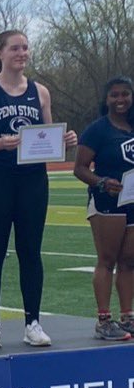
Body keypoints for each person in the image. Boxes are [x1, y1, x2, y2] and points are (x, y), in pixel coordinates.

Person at [0, 29, 77, 348]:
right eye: (15, 48)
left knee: (30, 252)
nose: (21, 53)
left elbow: (49, 140)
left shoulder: (40, 92)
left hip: (32, 183)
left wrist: (66, 141)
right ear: (0, 52)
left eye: (25, 48)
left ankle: (33, 322)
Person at [74, 76, 134, 341]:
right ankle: (103, 320)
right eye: (115, 95)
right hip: (107, 202)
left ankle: (127, 316)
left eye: (125, 94)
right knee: (107, 260)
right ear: (106, 99)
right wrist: (101, 182)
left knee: (129, 261)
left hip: (132, 201)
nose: (120, 100)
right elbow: (79, 168)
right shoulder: (98, 130)